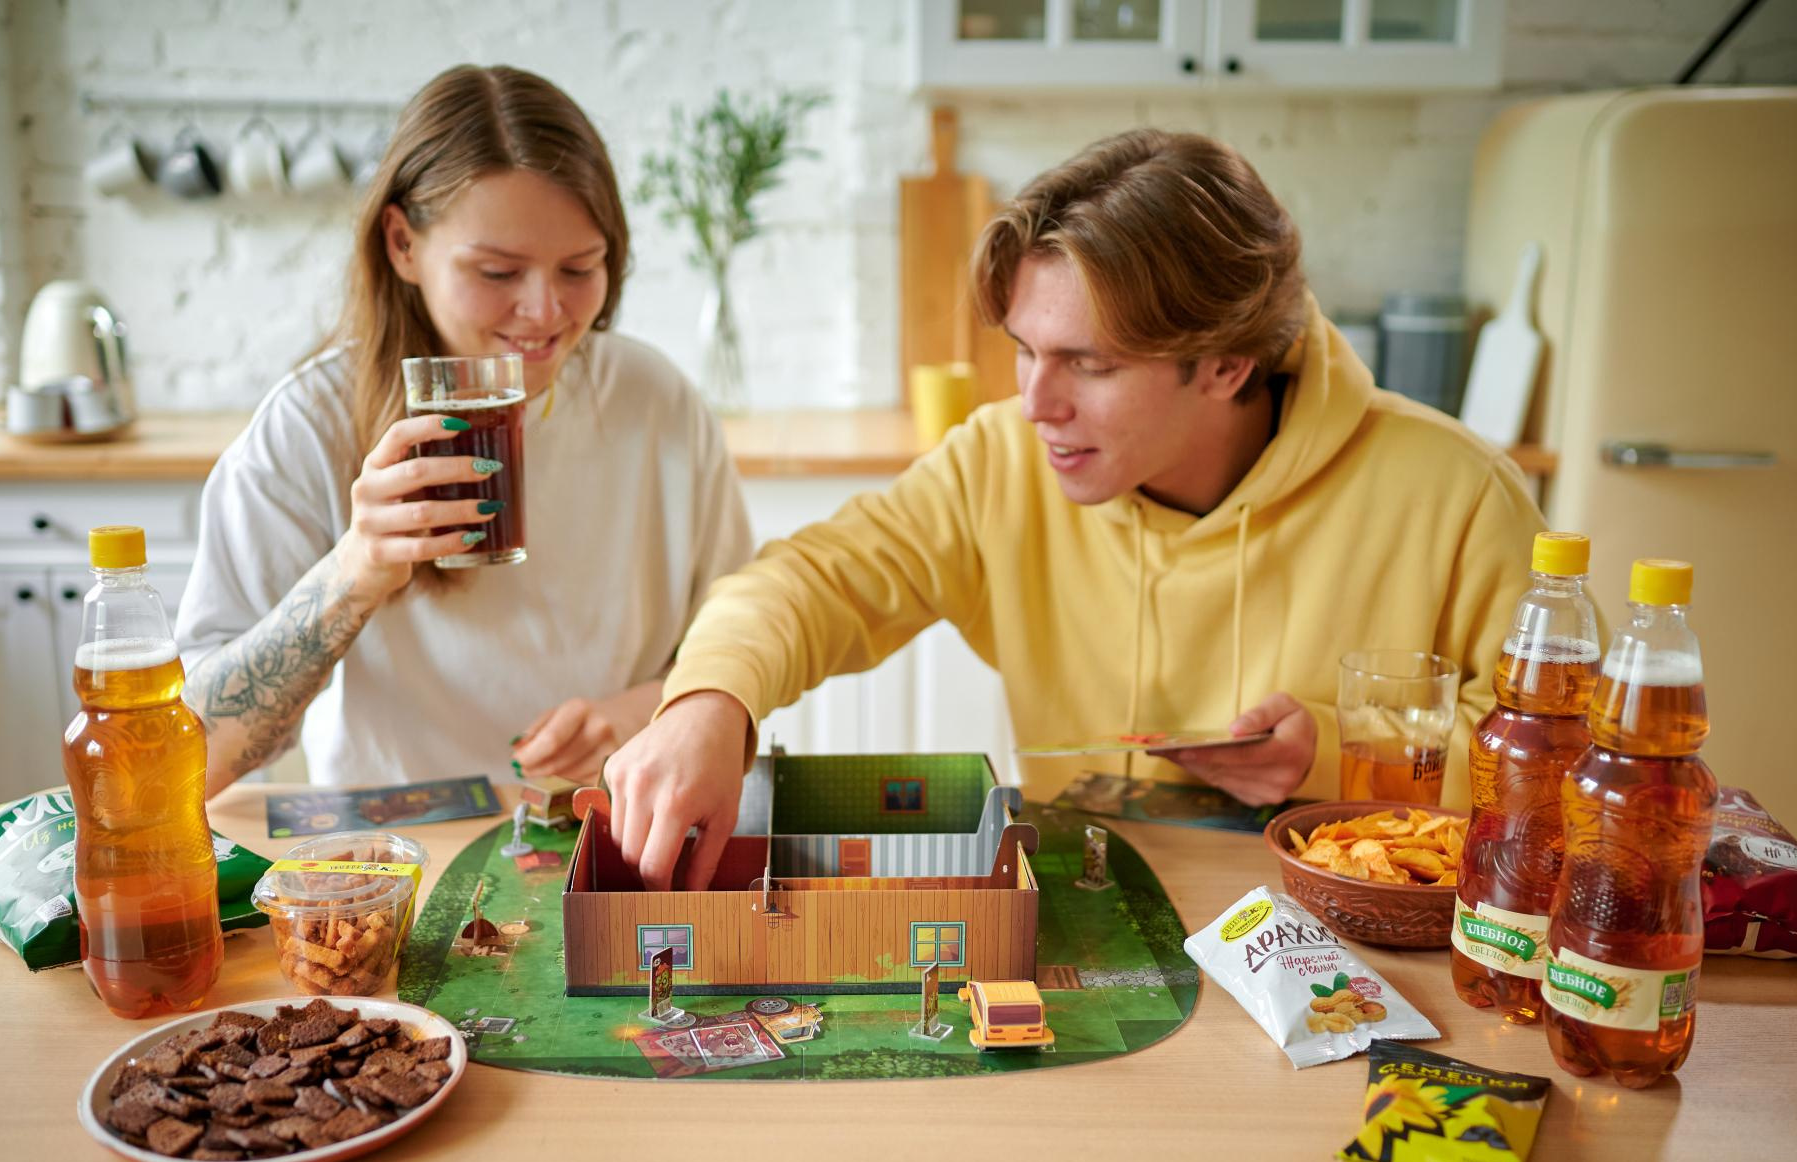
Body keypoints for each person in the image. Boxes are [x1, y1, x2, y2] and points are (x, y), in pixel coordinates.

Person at [603, 128, 1545, 891]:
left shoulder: (1459, 493)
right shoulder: (999, 461)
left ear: (1225, 364)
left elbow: (1564, 778)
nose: (1037, 403)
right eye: (1024, 349)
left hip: (1372, 958)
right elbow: (807, 582)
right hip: (1091, 916)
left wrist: (1331, 754)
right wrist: (709, 703)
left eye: (1090, 366)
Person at [176, 66, 753, 795]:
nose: (544, 312)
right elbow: (192, 755)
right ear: (402, 244)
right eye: (498, 271)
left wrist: (640, 713)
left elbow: (742, 643)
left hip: (604, 827)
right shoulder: (308, 427)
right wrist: (355, 570)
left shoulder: (655, 402)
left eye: (580, 267)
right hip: (396, 860)